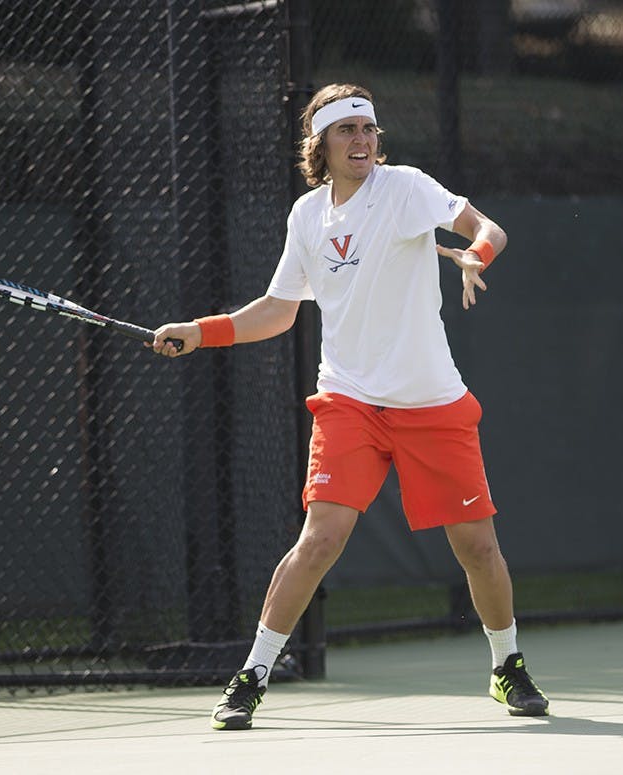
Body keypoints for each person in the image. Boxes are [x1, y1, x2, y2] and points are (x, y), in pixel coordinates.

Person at [151, 83, 548, 730]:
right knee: (320, 539)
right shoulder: (307, 216)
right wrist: (201, 331)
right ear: (322, 145)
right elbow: (279, 309)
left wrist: (476, 256)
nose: (362, 140)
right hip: (350, 401)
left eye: (368, 129)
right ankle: (252, 675)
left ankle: (508, 665)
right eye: (347, 131)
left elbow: (487, 228)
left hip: (431, 400)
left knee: (478, 547)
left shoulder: (406, 188)